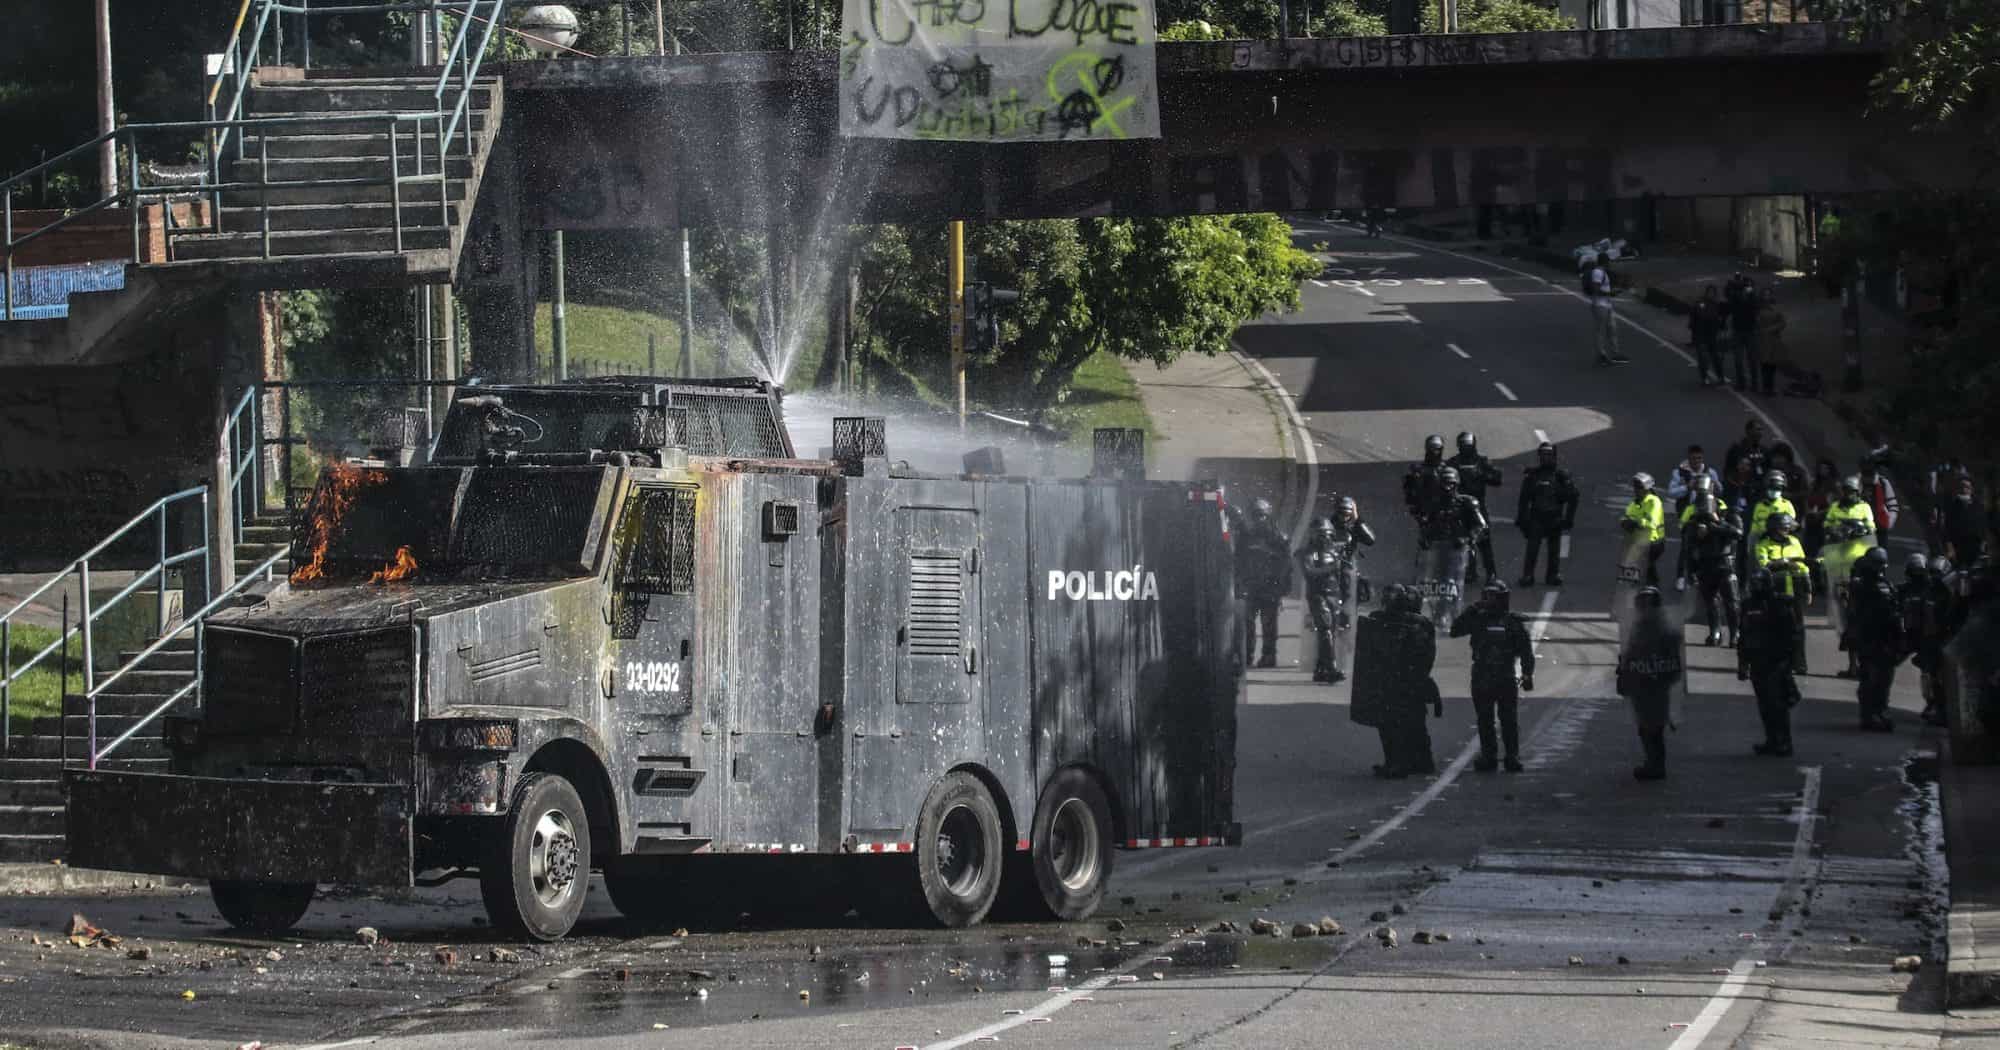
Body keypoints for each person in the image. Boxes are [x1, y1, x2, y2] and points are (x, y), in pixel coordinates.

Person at [1451, 579, 1535, 773]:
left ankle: (1512, 756)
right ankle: (1489, 756)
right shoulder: (1478, 618)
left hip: (1505, 676)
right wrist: (1471, 609)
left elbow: (1526, 652)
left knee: (1509, 719)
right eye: (1487, 596)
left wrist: (1528, 674)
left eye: (1494, 597)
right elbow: (1455, 631)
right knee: (1485, 719)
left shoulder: (1513, 622)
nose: (1490, 601)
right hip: (1482, 675)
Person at [1357, 584, 1440, 778]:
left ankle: (1398, 763)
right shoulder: (1419, 622)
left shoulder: (1399, 622)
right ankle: (1420, 761)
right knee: (1415, 721)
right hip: (1411, 679)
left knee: (1392, 723)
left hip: (1399, 680)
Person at [1619, 587, 1683, 781]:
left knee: (1653, 727)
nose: (1643, 608)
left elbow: (1672, 661)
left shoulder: (1661, 630)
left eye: (1647, 604)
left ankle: (1656, 766)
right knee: (1645, 726)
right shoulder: (1640, 628)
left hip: (1654, 685)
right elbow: (1631, 655)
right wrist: (1625, 673)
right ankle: (1653, 763)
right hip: (1642, 685)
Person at [1738, 568, 1801, 757]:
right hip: (1757, 662)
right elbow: (1744, 635)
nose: (1755, 587)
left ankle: (1784, 742)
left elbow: (1792, 635)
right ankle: (1771, 741)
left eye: (1759, 583)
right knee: (1764, 705)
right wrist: (1742, 663)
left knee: (1778, 705)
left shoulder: (1778, 604)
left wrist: (1789, 662)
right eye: (1753, 583)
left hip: (1776, 662)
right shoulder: (1748, 605)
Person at [1822, 475, 1878, 677]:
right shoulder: (1836, 507)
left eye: (1852, 491)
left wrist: (1858, 530)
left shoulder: (1864, 508)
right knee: (1846, 619)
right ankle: (1853, 665)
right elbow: (1826, 525)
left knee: (1862, 618)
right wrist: (1835, 531)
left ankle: (1864, 665)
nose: (1848, 494)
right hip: (1839, 565)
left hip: (1859, 565)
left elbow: (1871, 529)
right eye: (1846, 491)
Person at [1419, 467, 1488, 627]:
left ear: (1456, 484)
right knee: (1434, 584)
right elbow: (1425, 524)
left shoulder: (1467, 502)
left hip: (1457, 552)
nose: (1447, 487)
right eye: (1444, 484)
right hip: (1436, 550)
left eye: (1450, 484)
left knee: (1452, 584)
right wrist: (1424, 539)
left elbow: (1481, 526)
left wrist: (1467, 539)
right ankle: (1437, 614)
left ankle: (1454, 615)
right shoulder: (1434, 503)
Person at [1845, 547, 1904, 732]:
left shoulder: (1883, 584)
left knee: (1883, 678)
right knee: (1871, 678)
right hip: (1870, 637)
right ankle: (1870, 714)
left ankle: (1880, 711)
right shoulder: (1864, 585)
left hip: (1883, 638)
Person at [1232, 498, 1293, 669]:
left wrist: (1282, 587)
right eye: (1256, 515)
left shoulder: (1279, 538)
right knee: (1247, 624)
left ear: (1268, 516)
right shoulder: (1245, 537)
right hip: (1250, 587)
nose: (1259, 519)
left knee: (1269, 625)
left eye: (1262, 515)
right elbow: (1237, 561)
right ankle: (1247, 656)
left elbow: (1287, 565)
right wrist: (1238, 583)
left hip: (1269, 588)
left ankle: (1269, 656)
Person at [1681, 487, 1744, 647]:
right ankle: (1715, 632)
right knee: (1711, 602)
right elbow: (1688, 549)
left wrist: (1715, 525)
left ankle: (1735, 633)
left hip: (1725, 566)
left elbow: (1738, 533)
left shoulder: (1729, 517)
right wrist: (1691, 571)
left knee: (1732, 602)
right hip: (1705, 566)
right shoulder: (1693, 524)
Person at [1754, 511, 1813, 674]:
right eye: (1783, 528)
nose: (1787, 531)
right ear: (1773, 529)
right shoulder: (1763, 544)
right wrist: (1784, 563)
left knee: (1798, 627)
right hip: (1774, 589)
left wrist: (1808, 587)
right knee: (1773, 627)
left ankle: (1799, 663)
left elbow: (1802, 565)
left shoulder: (1794, 542)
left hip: (1795, 588)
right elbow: (1763, 564)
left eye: (1788, 528)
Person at [1517, 441, 1580, 587]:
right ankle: (1528, 575)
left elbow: (1573, 497)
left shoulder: (1561, 476)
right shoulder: (1533, 476)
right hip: (1536, 517)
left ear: (1554, 457)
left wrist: (1568, 519)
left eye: (1549, 455)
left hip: (1554, 518)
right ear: (1539, 456)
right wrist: (1522, 520)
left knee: (1554, 549)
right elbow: (1523, 499)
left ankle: (1552, 575)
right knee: (1532, 548)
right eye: (1543, 455)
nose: (1546, 458)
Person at [1298, 517, 1350, 684]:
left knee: (1331, 633)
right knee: (1326, 630)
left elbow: (1344, 577)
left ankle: (1321, 669)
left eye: (1327, 535)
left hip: (1334, 595)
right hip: (1317, 595)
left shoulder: (1335, 552)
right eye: (1320, 535)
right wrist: (1332, 568)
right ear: (1313, 535)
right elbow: (1309, 572)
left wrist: (1345, 597)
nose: (1324, 538)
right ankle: (1332, 668)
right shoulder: (1306, 552)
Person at [1447, 432, 1504, 585]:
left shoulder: (1481, 461)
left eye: (1468, 444)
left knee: (1484, 540)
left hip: (1478, 505)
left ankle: (1491, 573)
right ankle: (1469, 571)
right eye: (1463, 444)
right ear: (1459, 445)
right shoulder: (1453, 462)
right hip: (1460, 506)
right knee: (1463, 540)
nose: (1466, 447)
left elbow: (1497, 479)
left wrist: (1483, 474)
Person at [1620, 472, 1667, 587]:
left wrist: (1638, 522)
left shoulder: (1654, 502)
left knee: (1646, 562)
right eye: (1635, 487)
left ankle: (1651, 585)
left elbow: (1652, 522)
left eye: (1639, 487)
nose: (1636, 490)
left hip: (1655, 542)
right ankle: (1645, 583)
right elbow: (1627, 515)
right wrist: (1625, 522)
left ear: (1647, 489)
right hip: (1640, 540)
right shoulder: (1634, 503)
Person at [1586, 253, 1630, 365]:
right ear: (1605, 262)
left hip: (1607, 304)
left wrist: (1613, 292)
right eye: (1609, 262)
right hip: (1600, 305)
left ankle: (1615, 354)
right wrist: (1610, 293)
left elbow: (1603, 289)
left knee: (1612, 329)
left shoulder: (1603, 273)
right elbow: (1596, 289)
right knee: (1601, 331)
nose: (1610, 264)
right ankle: (1601, 355)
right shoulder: (1598, 273)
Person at [1725, 273, 1762, 392]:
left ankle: (1754, 384)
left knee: (1752, 359)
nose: (1747, 289)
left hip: (1750, 331)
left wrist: (1750, 294)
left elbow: (1757, 306)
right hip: (1738, 331)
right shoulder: (1735, 297)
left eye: (1749, 286)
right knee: (1738, 359)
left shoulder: (1753, 298)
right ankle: (1741, 383)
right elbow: (1727, 294)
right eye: (1745, 286)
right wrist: (1733, 285)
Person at [1404, 435, 1450, 527]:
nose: (1434, 452)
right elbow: (1409, 491)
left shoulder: (1448, 468)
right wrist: (1416, 510)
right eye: (1432, 448)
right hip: (1425, 510)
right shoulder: (1417, 469)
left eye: (1437, 449)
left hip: (1446, 511)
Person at [1941, 473, 1987, 565]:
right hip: (1958, 546)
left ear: (1971, 489)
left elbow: (1983, 526)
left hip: (1975, 546)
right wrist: (1950, 548)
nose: (1964, 489)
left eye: (1967, 487)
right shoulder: (1952, 507)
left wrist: (1983, 543)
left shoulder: (1979, 506)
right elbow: (1947, 528)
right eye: (1961, 487)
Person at [1749, 469, 1798, 555]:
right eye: (1772, 487)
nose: (1774, 491)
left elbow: (1792, 526)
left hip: (1779, 544)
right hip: (1761, 542)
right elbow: (1754, 527)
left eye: (1777, 488)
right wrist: (1752, 544)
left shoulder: (1787, 505)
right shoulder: (1759, 506)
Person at [1803, 459, 1841, 566]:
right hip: (1811, 520)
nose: (1822, 470)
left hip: (1825, 521)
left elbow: (1836, 504)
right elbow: (1807, 498)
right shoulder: (1814, 483)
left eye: (1825, 468)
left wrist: (1821, 513)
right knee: (1809, 547)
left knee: (1822, 549)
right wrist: (1807, 511)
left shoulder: (1834, 485)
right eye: (1821, 468)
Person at [1688, 285, 1729, 386]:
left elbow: (1722, 318)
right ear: (1706, 293)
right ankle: (1704, 377)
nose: (1711, 294)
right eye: (1709, 292)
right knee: (1703, 358)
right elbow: (1693, 319)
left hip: (1712, 335)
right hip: (1700, 335)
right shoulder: (1699, 303)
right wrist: (1694, 332)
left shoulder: (1717, 305)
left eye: (1713, 293)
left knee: (1716, 358)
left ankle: (1720, 377)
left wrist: (1722, 325)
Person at [1667, 444, 1722, 516]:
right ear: (1688, 458)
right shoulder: (1678, 473)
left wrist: (1715, 485)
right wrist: (1687, 487)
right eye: (1694, 458)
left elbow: (1720, 491)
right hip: (1686, 511)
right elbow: (1671, 493)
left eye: (1699, 458)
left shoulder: (1710, 472)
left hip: (1707, 508)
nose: (1696, 461)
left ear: (1702, 459)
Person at [1723, 418, 1769, 483]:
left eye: (1761, 430)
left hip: (1759, 487)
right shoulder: (1736, 449)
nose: (1760, 433)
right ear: (1749, 431)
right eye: (1757, 429)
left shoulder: (1764, 451)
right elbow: (1728, 471)